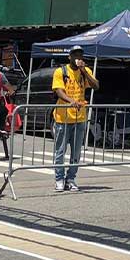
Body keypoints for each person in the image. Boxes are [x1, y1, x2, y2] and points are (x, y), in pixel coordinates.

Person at [52, 45, 98, 192]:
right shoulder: (61, 71)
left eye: (80, 55)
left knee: (76, 151)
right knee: (60, 150)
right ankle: (59, 178)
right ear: (69, 56)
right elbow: (59, 91)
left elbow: (96, 86)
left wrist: (84, 71)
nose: (78, 58)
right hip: (63, 117)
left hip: (80, 117)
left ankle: (71, 178)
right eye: (75, 55)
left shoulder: (86, 71)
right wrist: (71, 101)